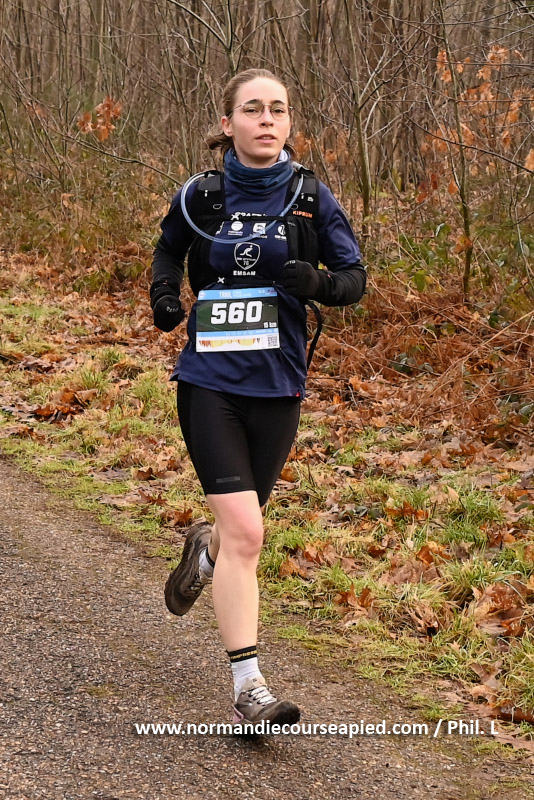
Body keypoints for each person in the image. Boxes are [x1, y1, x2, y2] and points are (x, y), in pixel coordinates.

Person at [150, 68, 366, 727]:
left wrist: (317, 283)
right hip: (209, 384)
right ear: (228, 124)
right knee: (249, 531)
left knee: (235, 534)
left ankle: (204, 554)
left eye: (277, 109)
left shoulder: (310, 197)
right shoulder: (201, 195)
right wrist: (164, 297)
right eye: (252, 109)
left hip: (279, 385)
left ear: (289, 123)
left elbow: (354, 278)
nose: (266, 119)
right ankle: (249, 687)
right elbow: (167, 251)